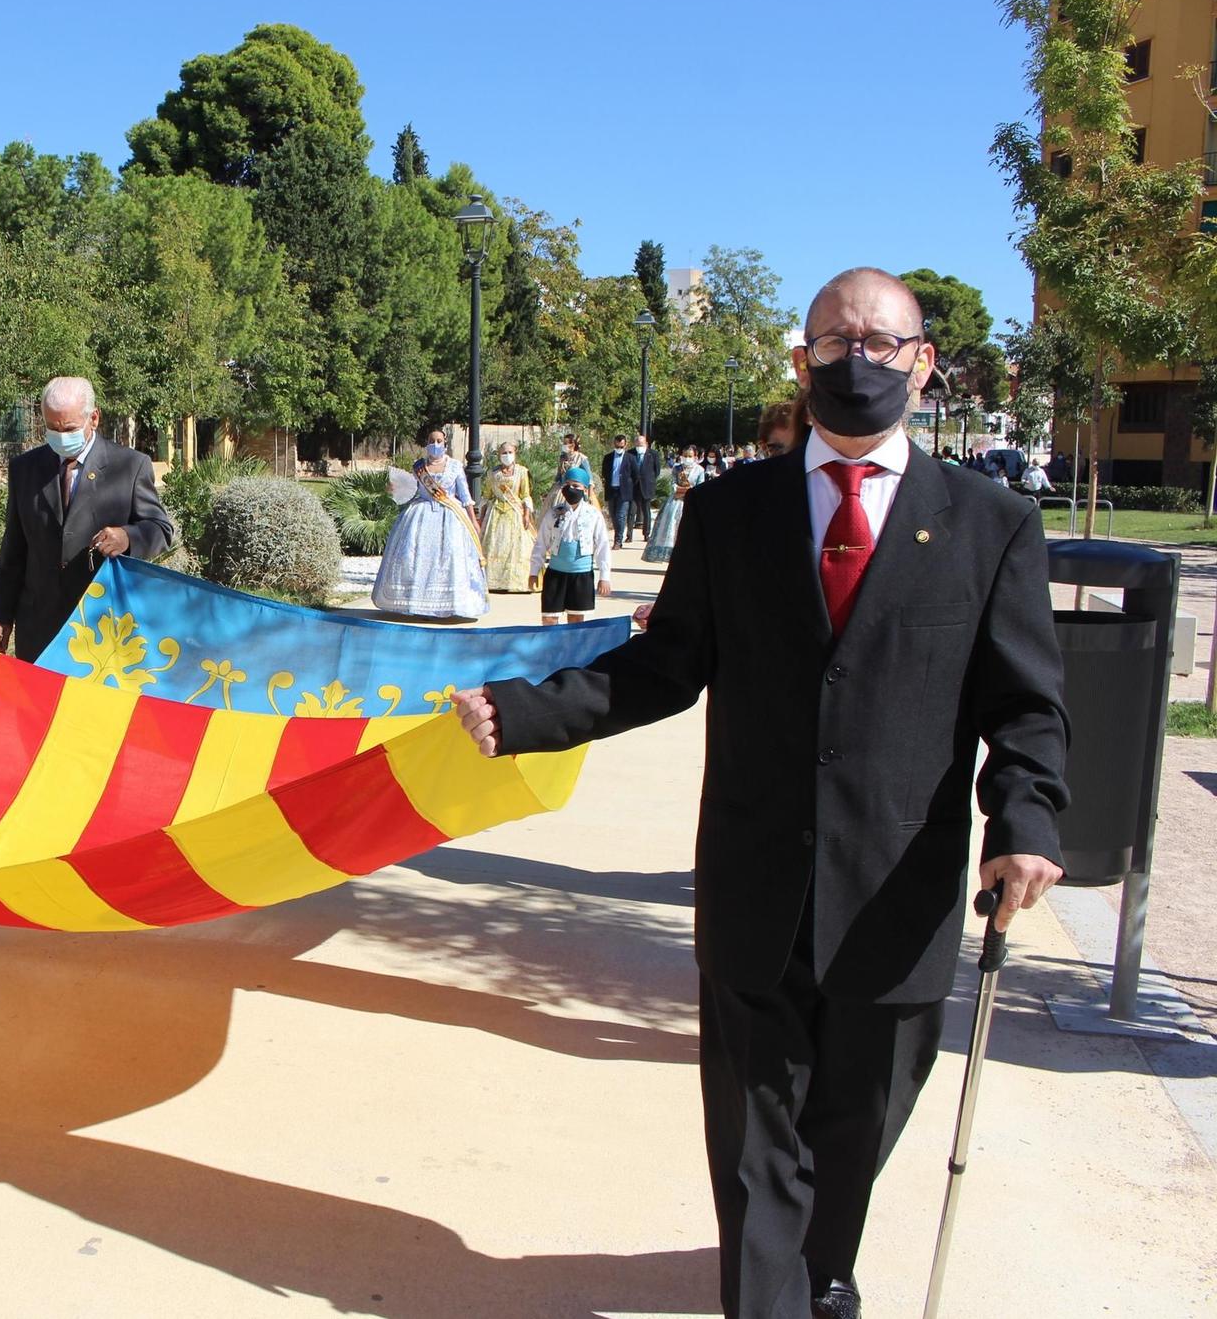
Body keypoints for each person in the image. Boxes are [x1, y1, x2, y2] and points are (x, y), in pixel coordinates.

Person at [452, 268, 1068, 1319]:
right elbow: (667, 663)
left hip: (894, 891)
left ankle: (821, 1271)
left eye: (880, 341)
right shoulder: (728, 511)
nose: (855, 359)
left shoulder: (989, 523)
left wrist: (1023, 824)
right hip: (753, 886)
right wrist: (528, 712)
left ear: (922, 365)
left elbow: (1023, 704)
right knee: (752, 1149)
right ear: (800, 362)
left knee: (853, 1127)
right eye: (832, 341)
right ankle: (777, 1300)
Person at [0, 376, 175, 662]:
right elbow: (13, 550)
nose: (61, 436)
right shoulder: (24, 469)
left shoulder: (130, 466)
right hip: (39, 629)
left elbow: (160, 529)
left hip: (104, 628)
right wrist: (0, 613)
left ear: (94, 418)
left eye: (70, 428)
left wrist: (127, 537)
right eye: (52, 428)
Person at [372, 428, 490, 619]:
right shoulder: (418, 466)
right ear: (426, 443)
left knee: (450, 556)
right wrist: (395, 489)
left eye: (439, 441)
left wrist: (472, 519)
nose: (435, 444)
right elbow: (413, 491)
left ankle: (450, 605)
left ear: (445, 443)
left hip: (450, 516)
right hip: (421, 514)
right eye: (431, 440)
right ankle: (418, 603)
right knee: (415, 556)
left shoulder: (454, 466)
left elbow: (465, 495)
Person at [530, 479, 612, 624]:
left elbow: (602, 545)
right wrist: (534, 571)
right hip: (556, 574)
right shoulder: (553, 513)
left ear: (585, 490)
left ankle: (572, 647)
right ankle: (552, 646)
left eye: (576, 486)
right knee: (549, 618)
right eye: (567, 485)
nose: (571, 488)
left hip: (581, 575)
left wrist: (604, 576)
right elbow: (541, 543)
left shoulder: (593, 514)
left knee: (576, 618)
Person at [479, 441, 535, 593]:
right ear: (498, 455)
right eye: (504, 453)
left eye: (510, 452)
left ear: (515, 453)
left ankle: (516, 582)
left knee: (516, 548)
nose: (507, 455)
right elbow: (487, 495)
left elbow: (525, 495)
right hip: (496, 512)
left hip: (515, 513)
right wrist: (481, 517)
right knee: (494, 545)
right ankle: (493, 582)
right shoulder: (493, 473)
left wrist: (526, 514)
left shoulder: (522, 472)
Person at [643, 444, 705, 564]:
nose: (687, 458)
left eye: (690, 456)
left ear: (695, 456)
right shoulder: (677, 468)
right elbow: (672, 483)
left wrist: (690, 490)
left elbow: (700, 485)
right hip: (675, 501)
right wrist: (677, 488)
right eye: (685, 455)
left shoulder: (699, 470)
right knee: (670, 527)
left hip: (691, 502)